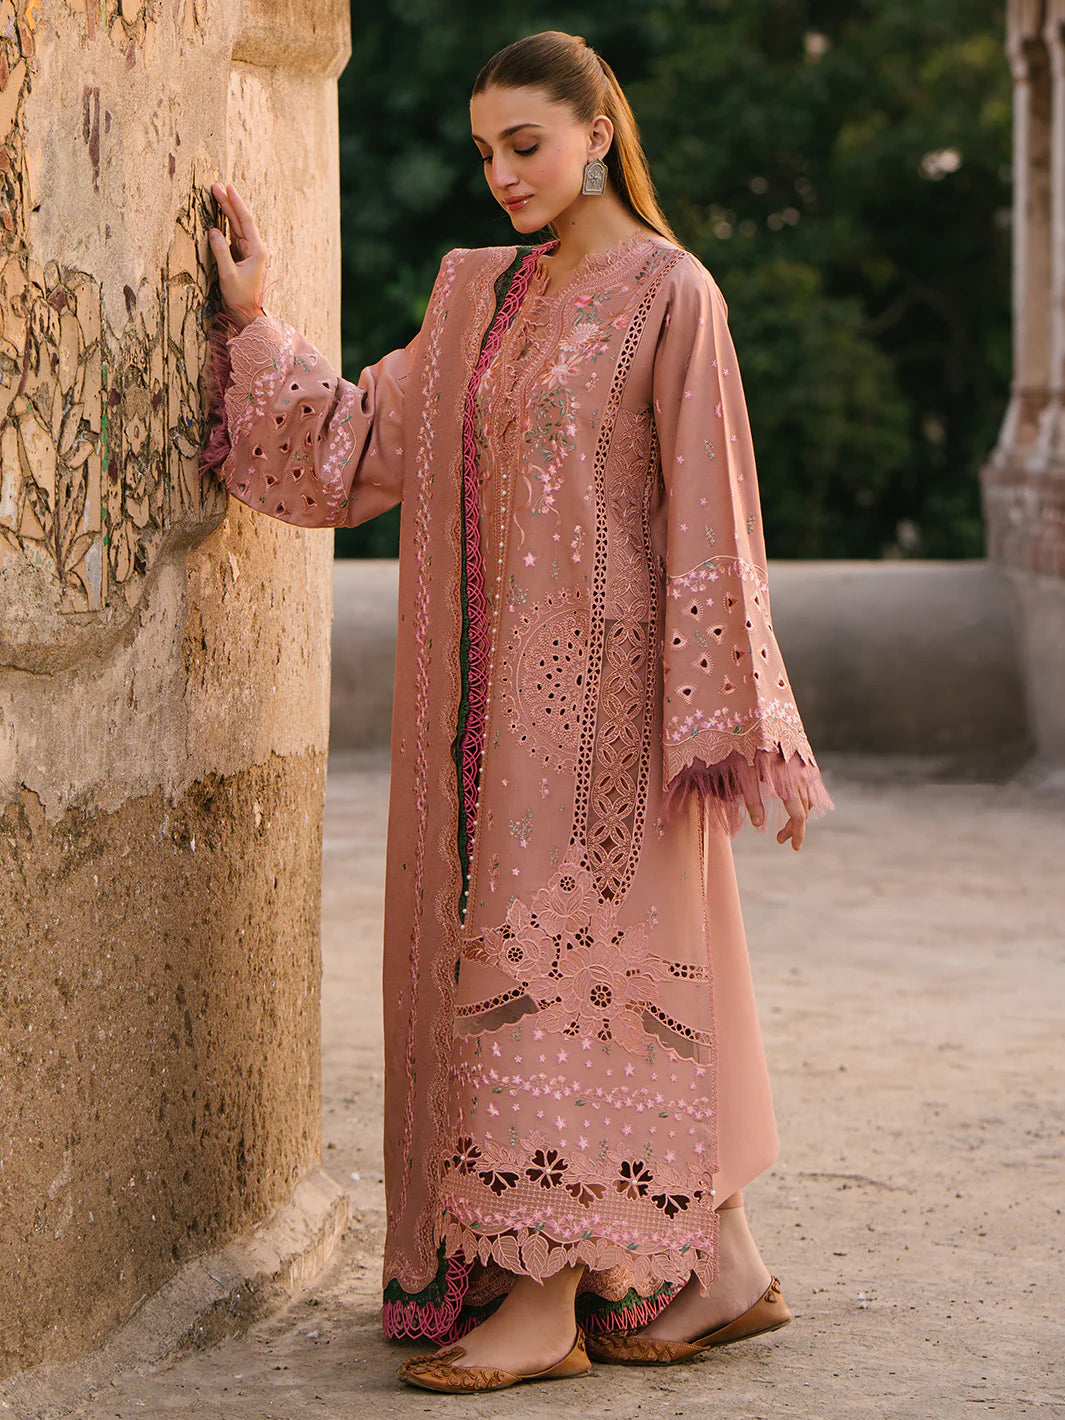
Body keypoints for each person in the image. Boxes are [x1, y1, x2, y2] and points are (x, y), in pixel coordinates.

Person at [200, 28, 834, 1396]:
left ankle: (544, 1304)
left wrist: (727, 721)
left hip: (612, 720)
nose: (501, 174)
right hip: (483, 717)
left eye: (526, 144)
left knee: (582, 981)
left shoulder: (673, 293)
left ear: (598, 133)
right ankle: (717, 1272)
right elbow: (360, 442)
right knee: (597, 980)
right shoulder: (476, 295)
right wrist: (252, 327)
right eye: (485, 150)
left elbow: (716, 512)